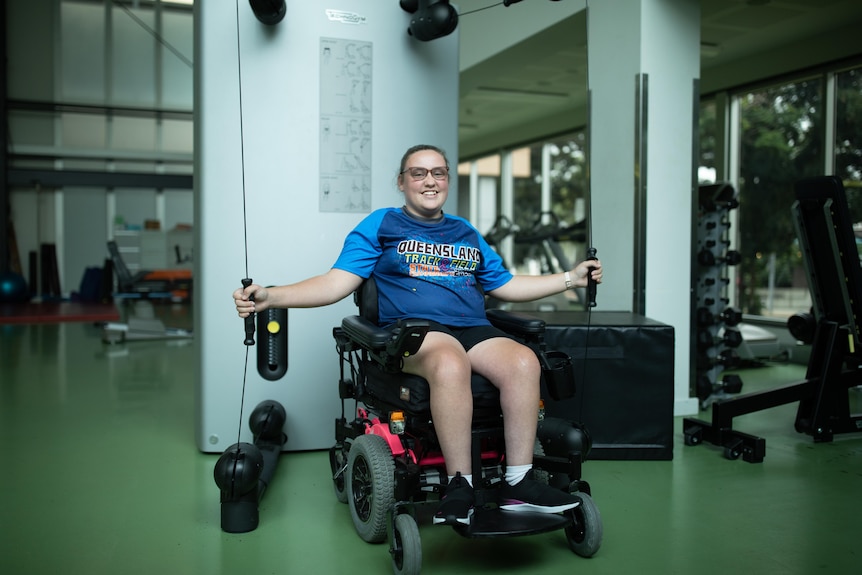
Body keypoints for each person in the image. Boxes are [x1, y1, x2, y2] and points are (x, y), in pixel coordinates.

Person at [234, 144, 603, 526]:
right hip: (415, 331)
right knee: (449, 361)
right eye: (418, 173)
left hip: (471, 327)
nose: (430, 181)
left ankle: (519, 480)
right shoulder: (381, 225)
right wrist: (270, 296)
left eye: (438, 172)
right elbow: (334, 284)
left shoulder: (465, 232)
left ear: (447, 179)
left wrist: (569, 279)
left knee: (524, 361)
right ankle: (461, 485)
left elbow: (506, 284)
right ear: (402, 181)